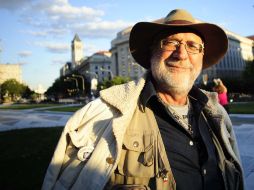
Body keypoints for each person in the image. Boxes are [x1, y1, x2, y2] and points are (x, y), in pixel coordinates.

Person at [42, 9, 244, 190]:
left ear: (201, 57)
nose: (181, 54)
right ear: (151, 53)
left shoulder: (218, 116)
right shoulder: (98, 118)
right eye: (171, 42)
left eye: (192, 46)